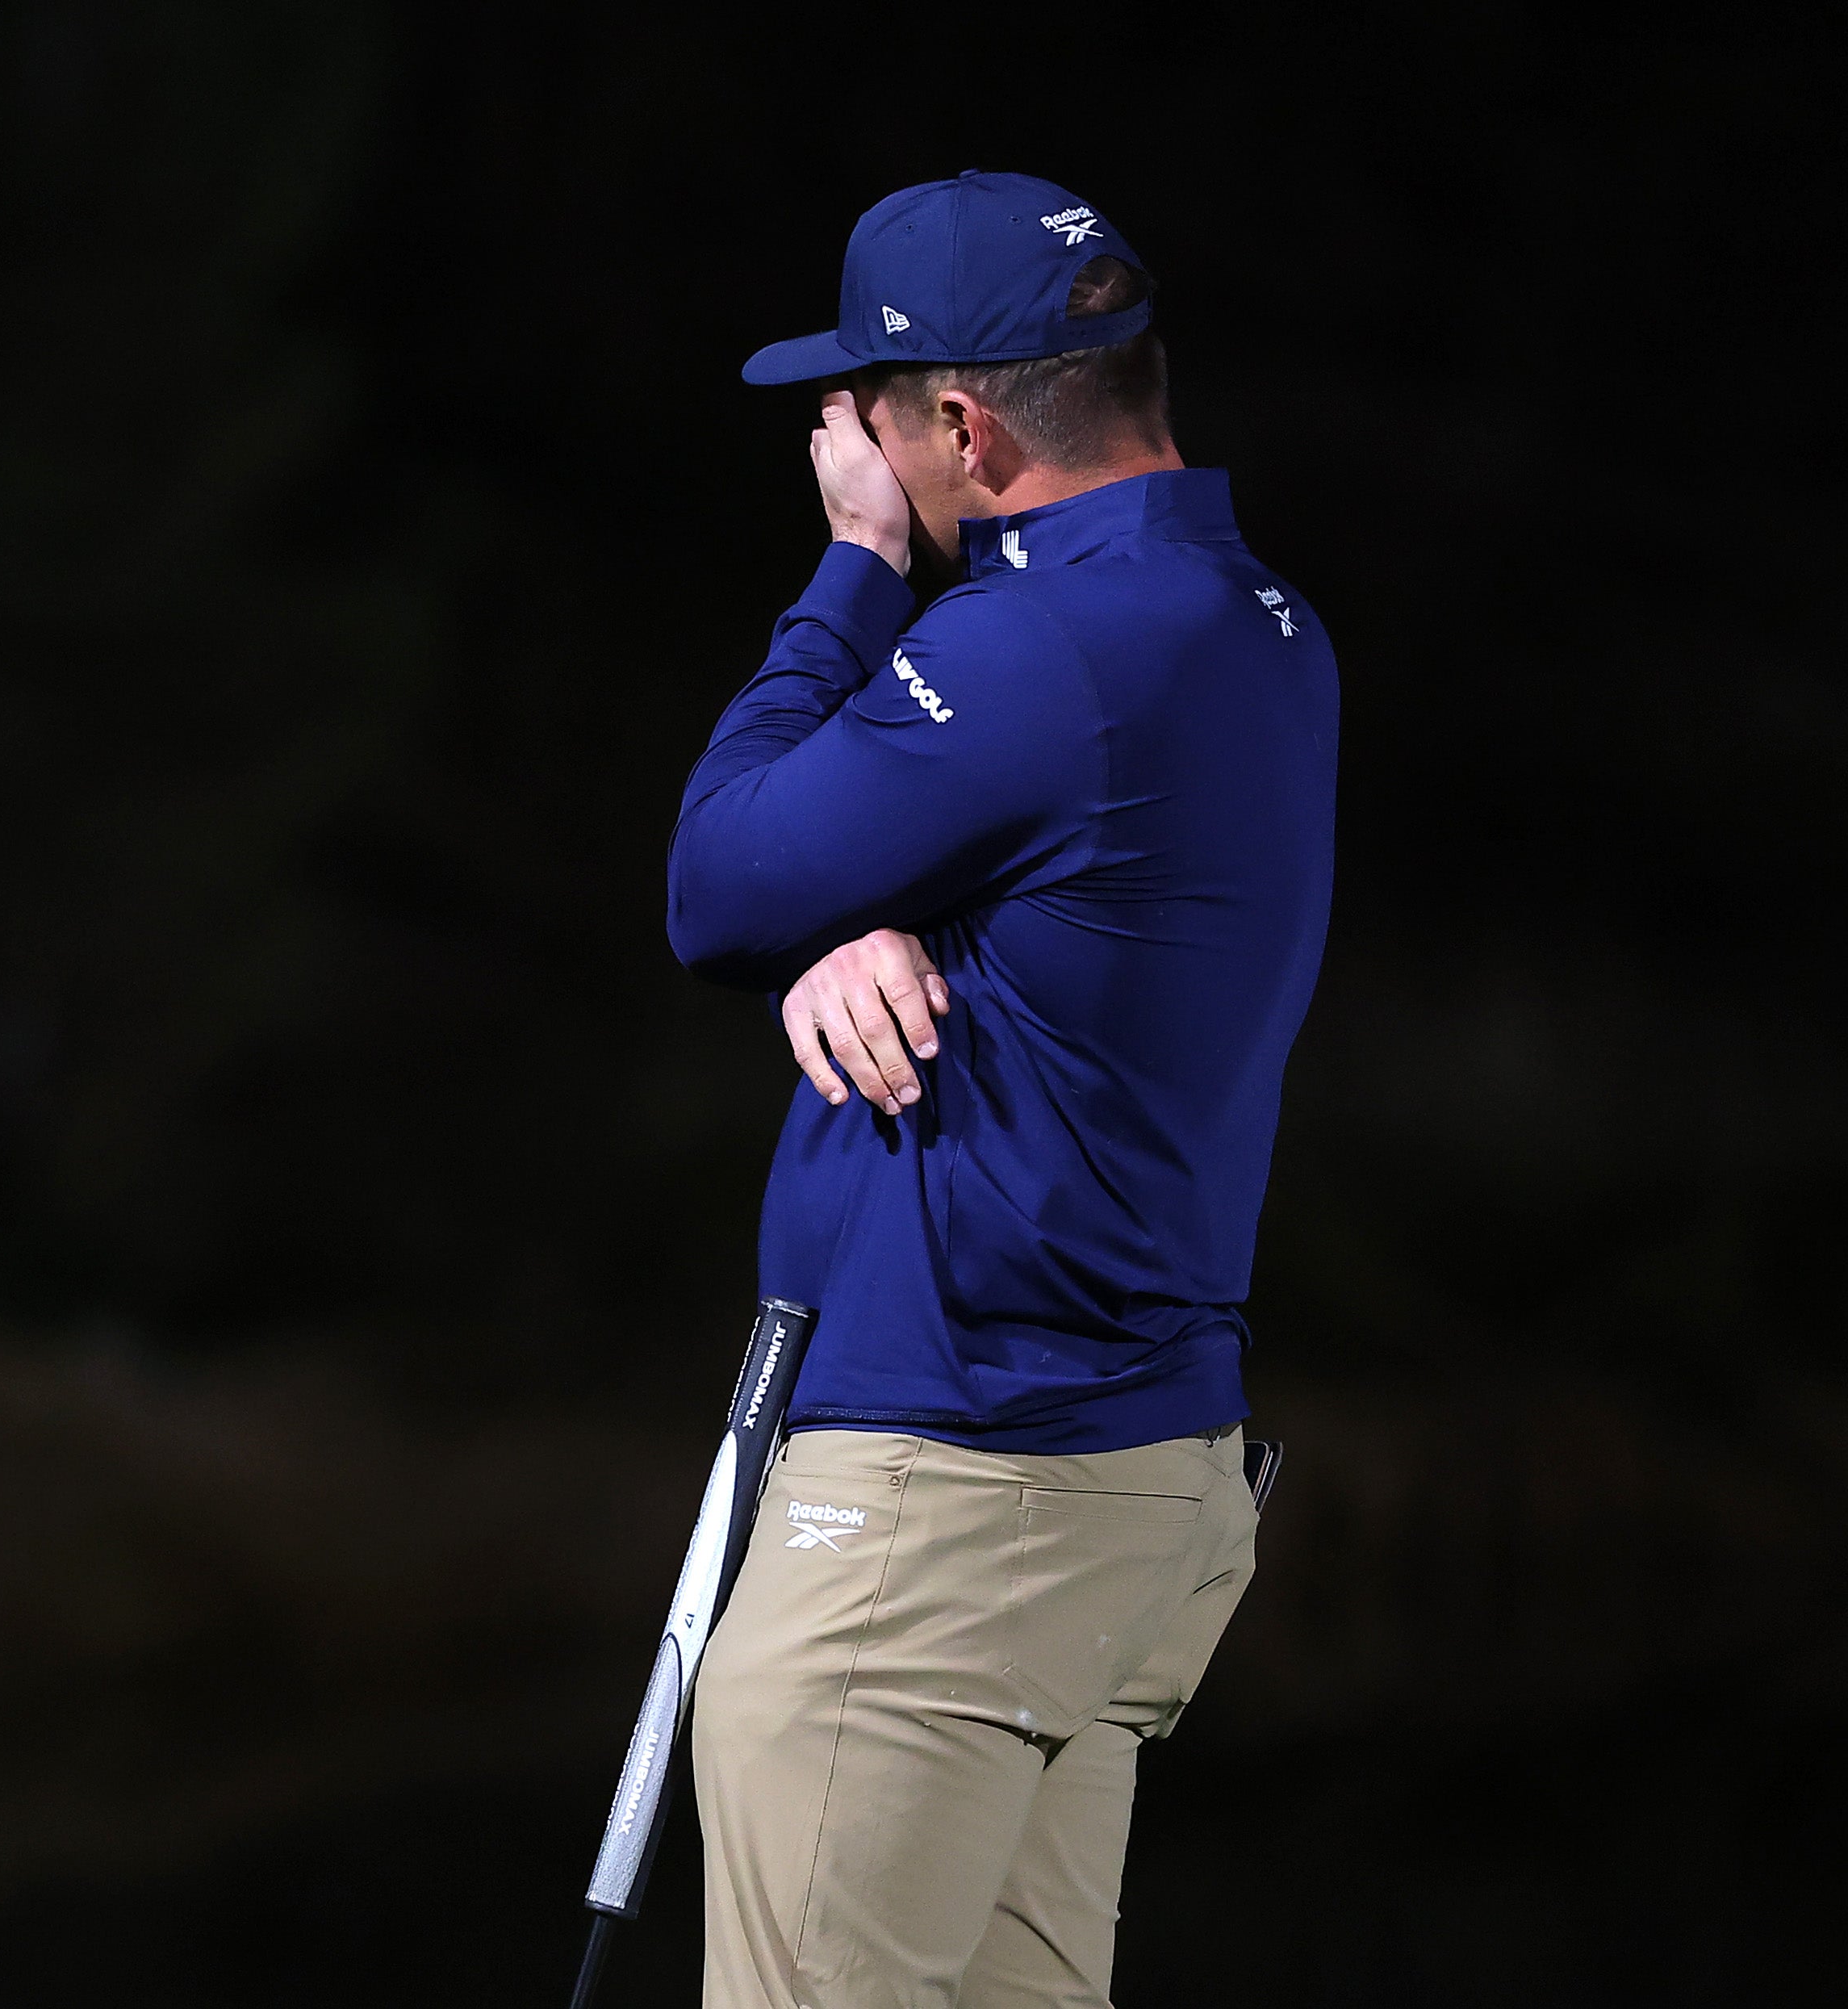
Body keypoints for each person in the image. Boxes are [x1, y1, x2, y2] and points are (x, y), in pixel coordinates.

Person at [669, 171, 1338, 2009]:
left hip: (942, 1519)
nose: (847, 444)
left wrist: (854, 569)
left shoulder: (1038, 645)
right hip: (1128, 1496)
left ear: (956, 427)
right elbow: (1048, 893)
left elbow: (715, 879)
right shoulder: (1262, 626)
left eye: (868, 416)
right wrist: (859, 917)